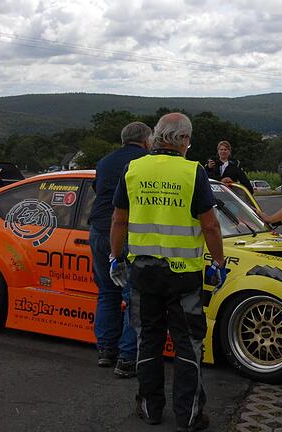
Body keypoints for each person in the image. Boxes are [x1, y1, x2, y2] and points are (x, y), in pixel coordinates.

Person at [109, 112, 226, 432]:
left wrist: (115, 257)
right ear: (184, 140)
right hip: (184, 276)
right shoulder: (193, 172)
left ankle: (150, 408)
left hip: (143, 272)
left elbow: (119, 220)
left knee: (148, 340)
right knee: (188, 345)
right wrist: (219, 263)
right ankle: (189, 416)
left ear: (157, 137)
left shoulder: (133, 169)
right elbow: (211, 225)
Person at [88, 121, 150, 376]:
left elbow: (97, 188)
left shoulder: (104, 162)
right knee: (133, 297)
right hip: (125, 233)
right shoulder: (145, 162)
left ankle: (106, 350)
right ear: (146, 140)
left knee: (106, 291)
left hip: (98, 231)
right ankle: (127, 358)